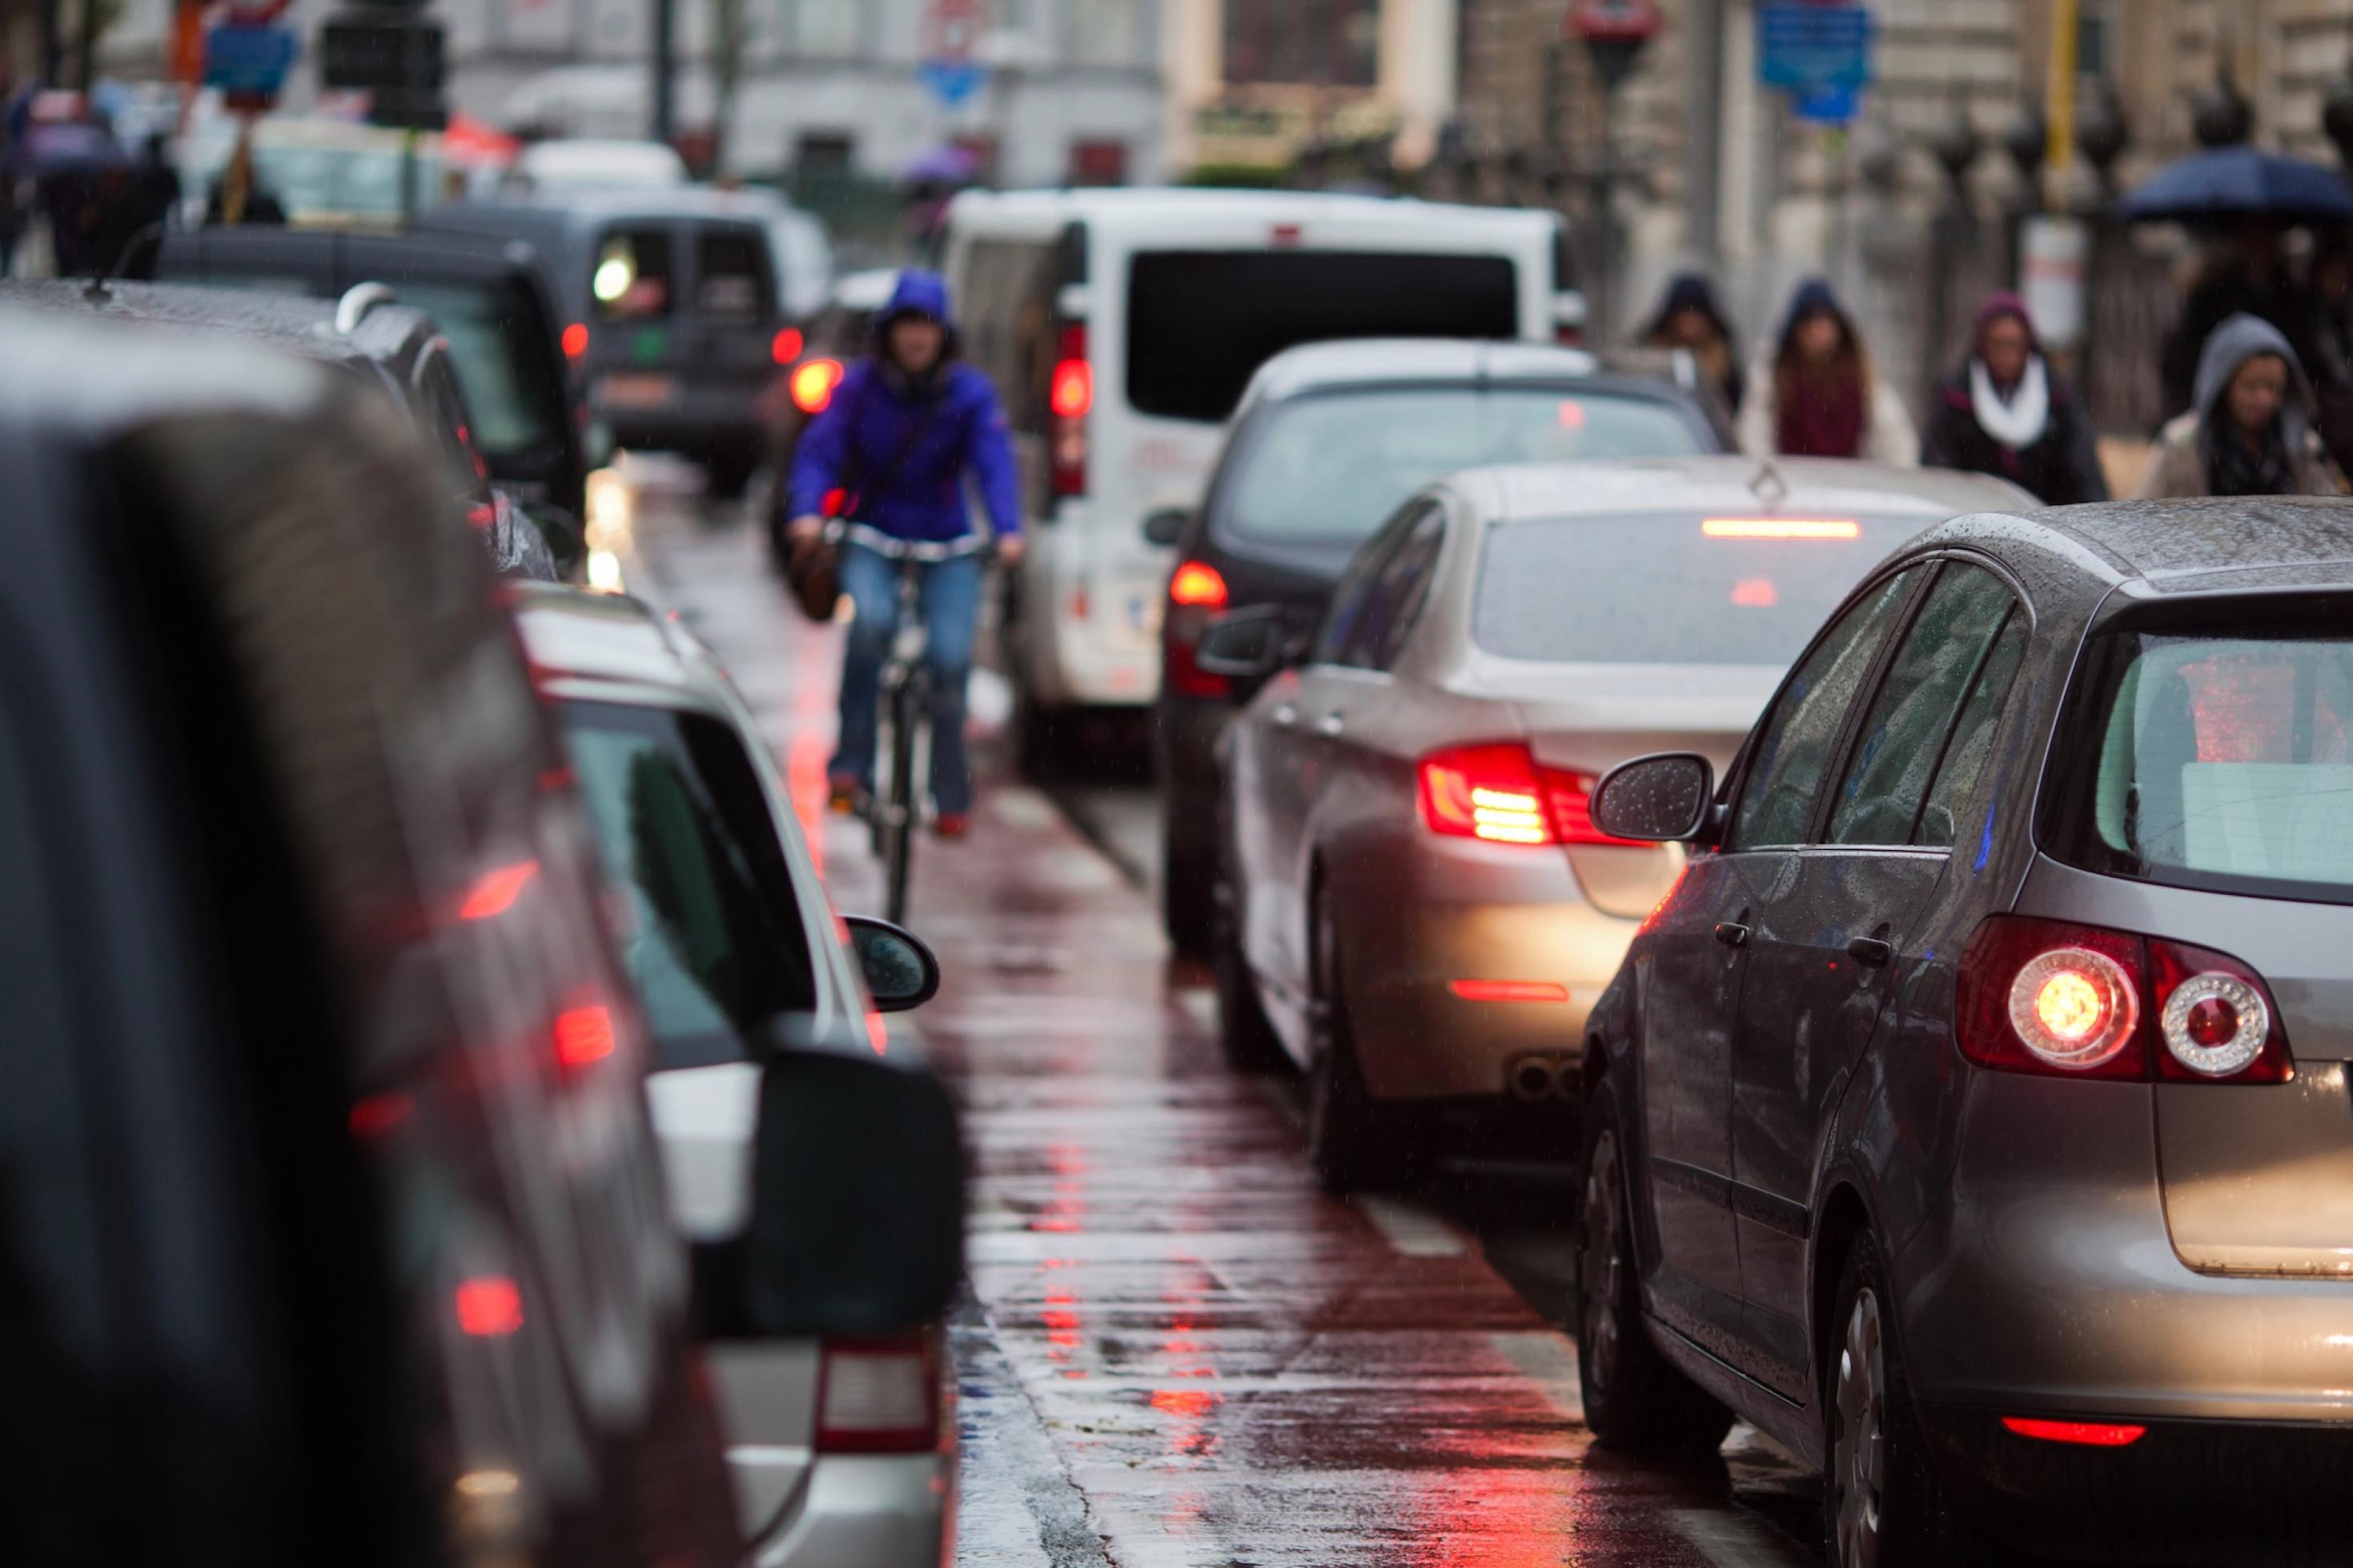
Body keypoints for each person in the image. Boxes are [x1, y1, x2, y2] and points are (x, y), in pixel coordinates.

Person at [785, 269, 1022, 841]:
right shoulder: (858, 389)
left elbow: (994, 462)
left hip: (949, 541)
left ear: (945, 335)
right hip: (872, 534)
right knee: (870, 625)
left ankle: (949, 795)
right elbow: (820, 450)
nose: (917, 338)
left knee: (948, 660)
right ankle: (851, 766)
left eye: (929, 326)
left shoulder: (969, 394)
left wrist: (1008, 528)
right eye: (907, 325)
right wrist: (807, 510)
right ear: (888, 331)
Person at [1921, 292, 2109, 504]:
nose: (2006, 356)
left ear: (2028, 345)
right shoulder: (1957, 399)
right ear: (1983, 346)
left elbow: (2082, 472)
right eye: (1997, 344)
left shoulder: (2059, 400)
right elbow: (1938, 471)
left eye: (2013, 344)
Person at [2134, 312, 2345, 499]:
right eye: (2250, 386)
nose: (2264, 399)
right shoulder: (2182, 446)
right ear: (2222, 384)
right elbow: (2144, 517)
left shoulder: (2303, 447)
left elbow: (2328, 515)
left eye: (2273, 388)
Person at [1737, 278, 1917, 464]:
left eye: (1825, 323)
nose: (1818, 332)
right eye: (1810, 324)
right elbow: (1754, 436)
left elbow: (1894, 439)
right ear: (1796, 331)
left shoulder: (1861, 381)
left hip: (1848, 486)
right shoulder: (1773, 379)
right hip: (1789, 486)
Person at [2158, 223, 2312, 422]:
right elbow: (2182, 355)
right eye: (2252, 240)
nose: (2259, 250)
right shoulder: (2214, 295)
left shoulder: (2290, 297)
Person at [1639, 271, 1744, 412]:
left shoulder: (1722, 360)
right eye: (1684, 312)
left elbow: (1730, 406)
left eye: (1696, 313)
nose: (1690, 320)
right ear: (1671, 317)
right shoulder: (1648, 354)